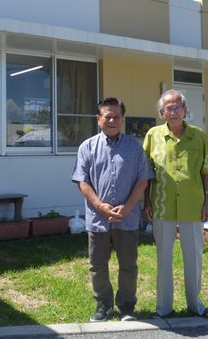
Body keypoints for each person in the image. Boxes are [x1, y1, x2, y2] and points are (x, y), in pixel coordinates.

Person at [72, 97, 153, 322]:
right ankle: (103, 305)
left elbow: (142, 181)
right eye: (107, 116)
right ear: (98, 119)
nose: (112, 120)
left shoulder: (134, 148)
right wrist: (99, 206)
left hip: (126, 220)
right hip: (98, 220)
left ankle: (127, 305)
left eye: (117, 116)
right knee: (97, 265)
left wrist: (128, 208)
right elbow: (82, 181)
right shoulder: (87, 147)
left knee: (128, 264)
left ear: (122, 119)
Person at [142, 89, 208, 320]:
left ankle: (196, 304)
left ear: (185, 110)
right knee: (163, 257)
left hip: (193, 205)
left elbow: (206, 170)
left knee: (194, 256)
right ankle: (163, 308)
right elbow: (146, 173)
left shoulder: (199, 136)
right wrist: (146, 203)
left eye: (177, 107)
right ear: (161, 112)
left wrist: (207, 201)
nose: (173, 111)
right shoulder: (152, 135)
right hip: (161, 205)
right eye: (168, 108)